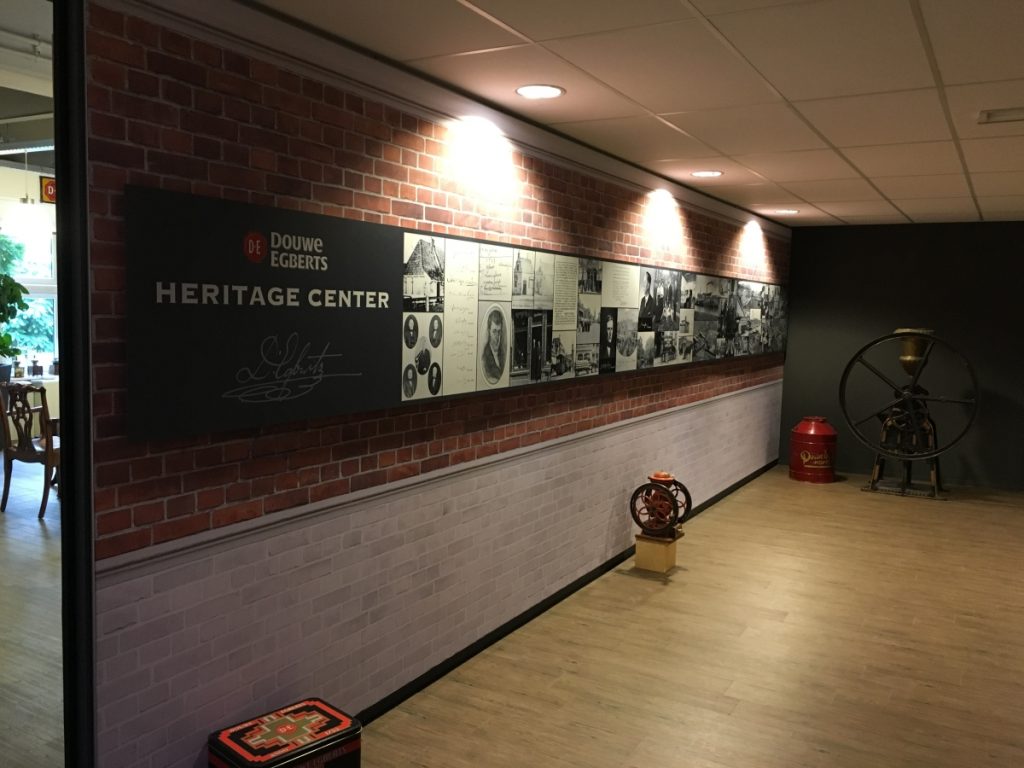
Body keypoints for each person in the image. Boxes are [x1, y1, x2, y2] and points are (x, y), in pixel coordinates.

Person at [481, 308, 506, 384]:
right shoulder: (485, 358)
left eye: (499, 332)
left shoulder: (503, 354)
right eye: (494, 331)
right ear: (489, 331)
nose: (497, 337)